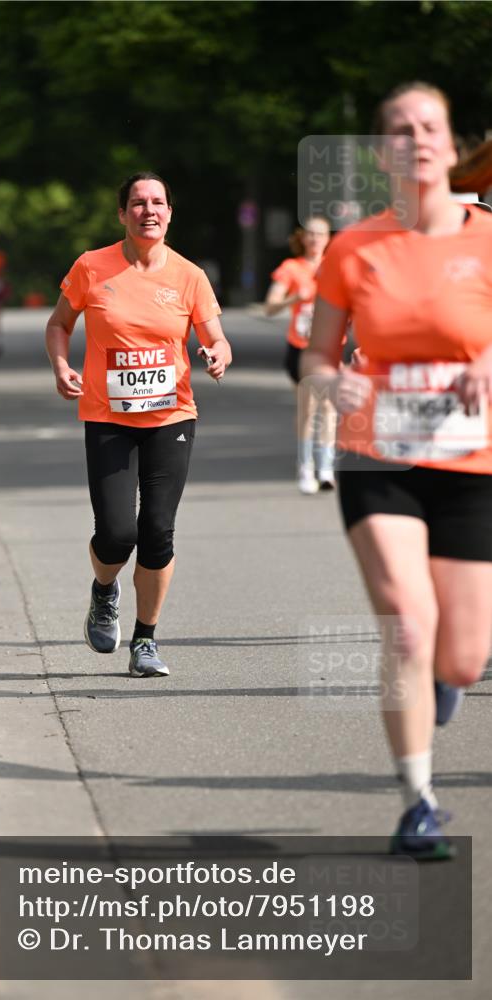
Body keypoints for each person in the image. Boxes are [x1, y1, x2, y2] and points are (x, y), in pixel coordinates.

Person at [302, 82, 492, 858]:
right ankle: (417, 801)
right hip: (375, 453)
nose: (416, 140)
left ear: (452, 146)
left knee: (463, 656)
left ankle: (445, 680)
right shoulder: (354, 248)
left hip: (471, 457)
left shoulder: (487, 240)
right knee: (407, 627)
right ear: (383, 153)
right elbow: (315, 355)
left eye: (429, 127)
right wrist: (330, 383)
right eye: (400, 130)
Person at [45, 173, 232, 677]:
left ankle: (145, 640)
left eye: (157, 202)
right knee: (116, 533)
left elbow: (216, 337)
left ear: (169, 213)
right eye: (137, 203)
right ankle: (104, 589)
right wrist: (61, 365)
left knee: (157, 531)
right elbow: (59, 323)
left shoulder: (190, 276)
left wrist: (217, 354)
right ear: (122, 214)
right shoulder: (91, 267)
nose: (148, 210)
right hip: (108, 417)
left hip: (171, 416)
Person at [264, 217, 337, 494]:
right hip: (301, 348)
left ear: (328, 238)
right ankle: (306, 467)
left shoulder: (336, 267)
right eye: (311, 234)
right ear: (303, 238)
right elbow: (270, 307)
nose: (316, 239)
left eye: (321, 234)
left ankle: (326, 468)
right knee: (308, 408)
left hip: (329, 348)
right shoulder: (291, 268)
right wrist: (296, 297)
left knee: (329, 406)